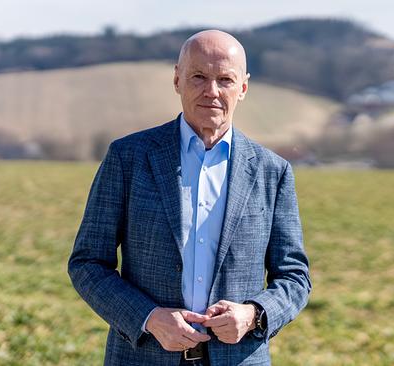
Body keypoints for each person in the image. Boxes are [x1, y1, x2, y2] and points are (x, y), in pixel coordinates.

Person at [68, 30, 311, 366]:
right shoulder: (129, 158)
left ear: (242, 88)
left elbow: (295, 278)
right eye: (199, 76)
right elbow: (88, 263)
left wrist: (254, 314)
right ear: (177, 79)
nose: (211, 91)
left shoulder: (273, 171)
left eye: (225, 79)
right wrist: (150, 318)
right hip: (143, 357)